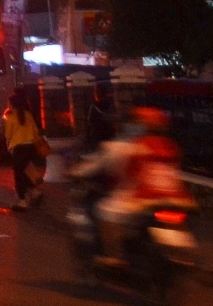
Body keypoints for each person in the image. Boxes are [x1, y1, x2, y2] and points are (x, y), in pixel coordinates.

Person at [76, 107, 192, 266]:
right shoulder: (170, 146)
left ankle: (114, 255)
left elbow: (107, 168)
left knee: (104, 212)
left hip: (140, 197)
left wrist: (77, 172)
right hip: (176, 198)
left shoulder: (127, 146)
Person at [3, 88, 46, 210]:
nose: (7, 104)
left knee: (18, 175)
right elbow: (35, 131)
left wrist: (9, 146)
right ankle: (34, 192)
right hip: (30, 147)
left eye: (8, 103)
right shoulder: (27, 115)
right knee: (26, 171)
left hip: (19, 149)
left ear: (12, 104)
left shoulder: (10, 118)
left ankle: (22, 201)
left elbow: (8, 136)